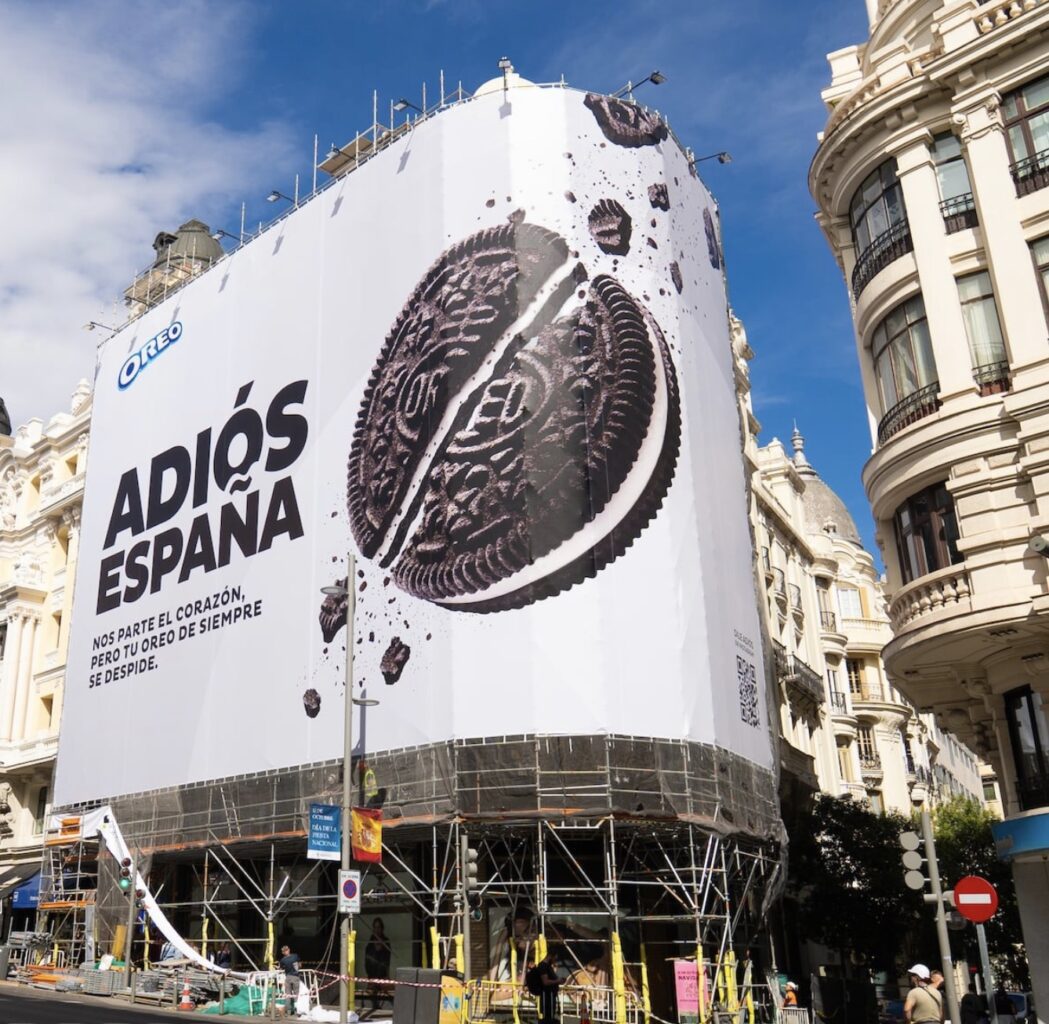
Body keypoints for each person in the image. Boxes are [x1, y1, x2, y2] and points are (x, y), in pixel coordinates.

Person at [526, 951, 561, 1024]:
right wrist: (558, 981)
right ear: (550, 956)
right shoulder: (543, 966)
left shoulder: (548, 966)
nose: (555, 961)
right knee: (547, 1019)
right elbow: (545, 981)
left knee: (550, 1018)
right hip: (547, 997)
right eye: (555, 958)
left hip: (551, 997)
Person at [365, 918, 392, 1009]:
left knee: (388, 997)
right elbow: (367, 962)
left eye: (379, 927)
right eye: (375, 927)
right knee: (371, 997)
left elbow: (387, 961)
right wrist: (371, 978)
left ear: (382, 928)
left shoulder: (386, 942)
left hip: (383, 977)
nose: (377, 930)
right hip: (372, 978)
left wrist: (386, 976)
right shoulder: (370, 943)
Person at [279, 943, 301, 1014]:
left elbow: (281, 967)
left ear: (283, 952)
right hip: (295, 977)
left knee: (287, 994)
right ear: (289, 950)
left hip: (288, 977)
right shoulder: (295, 956)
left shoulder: (282, 960)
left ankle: (288, 1011)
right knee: (297, 994)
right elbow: (300, 964)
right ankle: (297, 1010)